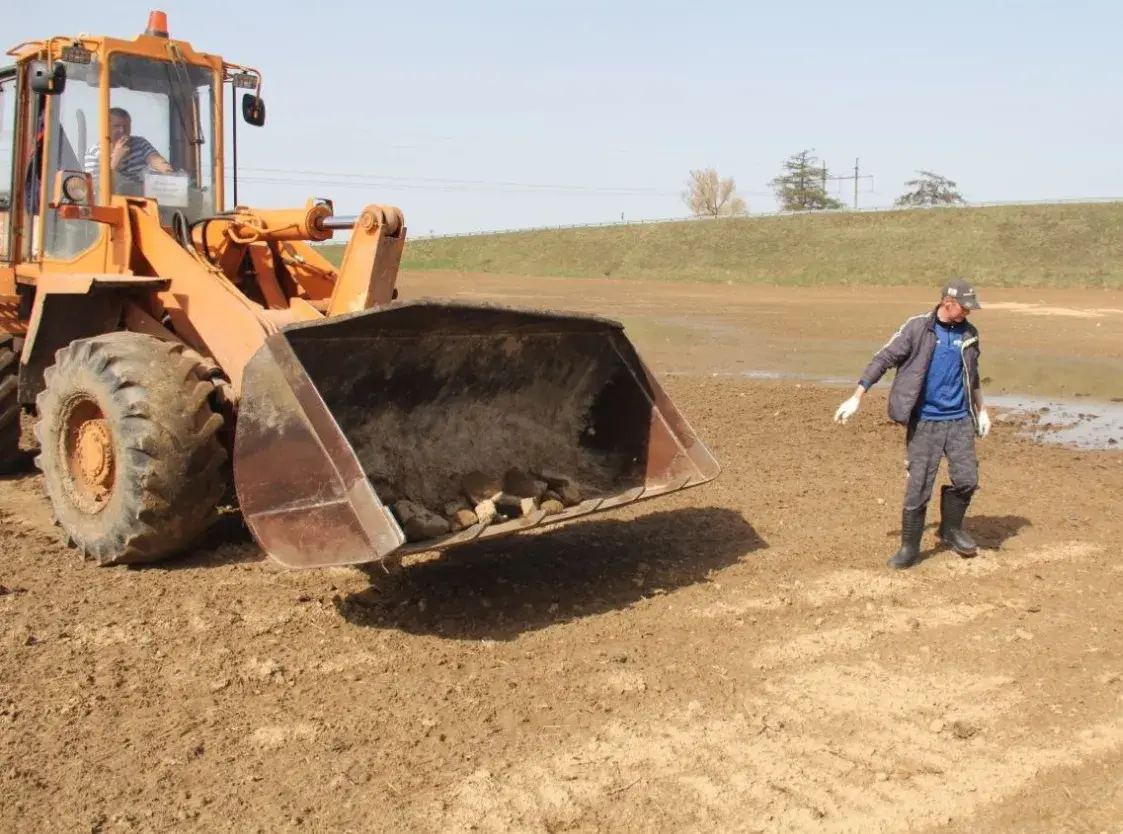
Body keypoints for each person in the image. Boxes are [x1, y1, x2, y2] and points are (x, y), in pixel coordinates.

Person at [833, 277, 992, 569]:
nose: (968, 313)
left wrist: (981, 410)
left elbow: (974, 374)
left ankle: (951, 529)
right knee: (919, 486)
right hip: (925, 422)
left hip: (959, 420)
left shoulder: (969, 334)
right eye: (965, 308)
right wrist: (857, 397)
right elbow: (882, 359)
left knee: (968, 479)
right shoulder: (917, 328)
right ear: (948, 303)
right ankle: (909, 547)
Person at [83, 107, 173, 184]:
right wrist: (116, 159)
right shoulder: (93, 153)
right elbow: (98, 189)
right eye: (116, 126)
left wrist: (168, 172)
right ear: (106, 127)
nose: (122, 130)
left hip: (139, 199)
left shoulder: (140, 143)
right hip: (111, 202)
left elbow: (156, 160)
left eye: (126, 126)